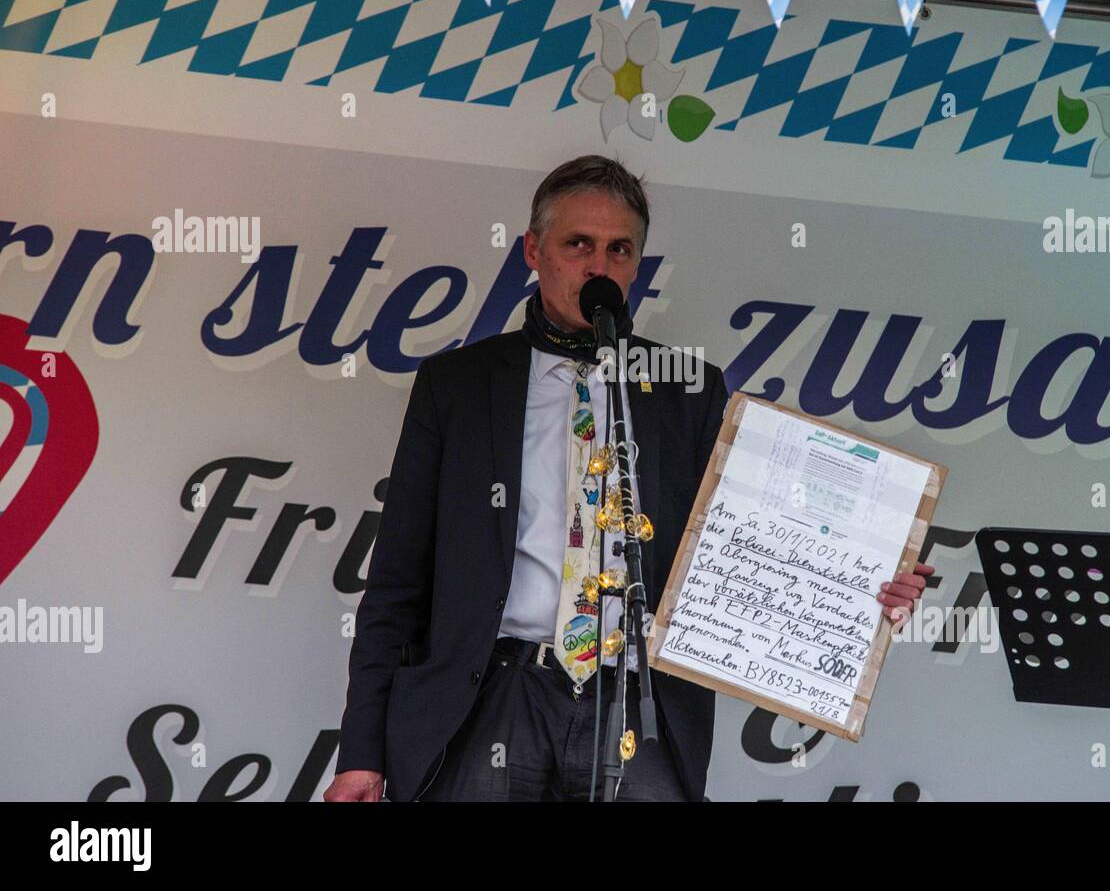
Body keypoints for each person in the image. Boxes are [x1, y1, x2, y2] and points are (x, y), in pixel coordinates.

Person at [324, 155, 931, 802]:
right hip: (494, 697)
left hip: (639, 704)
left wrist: (866, 582)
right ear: (533, 249)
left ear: (637, 264)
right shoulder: (460, 385)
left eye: (619, 250)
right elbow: (396, 581)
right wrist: (362, 751)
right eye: (577, 244)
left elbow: (752, 544)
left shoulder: (688, 387)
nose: (598, 266)